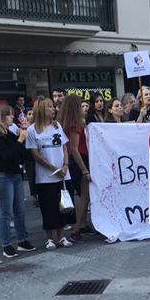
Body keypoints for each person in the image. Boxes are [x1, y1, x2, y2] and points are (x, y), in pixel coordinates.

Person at [0, 103, 35, 258]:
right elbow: (8, 155)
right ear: (1, 117)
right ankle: (6, 243)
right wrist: (20, 140)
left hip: (15, 175)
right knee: (5, 213)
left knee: (20, 210)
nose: (12, 117)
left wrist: (24, 137)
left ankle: (22, 239)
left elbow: (23, 155)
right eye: (8, 114)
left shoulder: (10, 133)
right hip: (2, 176)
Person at [26, 96, 73, 249]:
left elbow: (64, 147)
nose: (53, 109)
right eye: (49, 107)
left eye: (53, 107)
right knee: (48, 208)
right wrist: (53, 168)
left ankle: (61, 236)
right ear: (41, 110)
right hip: (45, 177)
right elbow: (35, 154)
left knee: (62, 206)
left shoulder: (56, 126)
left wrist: (65, 165)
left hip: (62, 174)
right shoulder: (32, 130)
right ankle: (49, 237)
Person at [62, 95, 96, 242]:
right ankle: (76, 229)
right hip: (79, 160)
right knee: (84, 196)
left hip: (75, 161)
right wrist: (85, 170)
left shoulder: (65, 122)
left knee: (84, 196)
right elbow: (74, 149)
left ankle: (81, 225)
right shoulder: (76, 124)